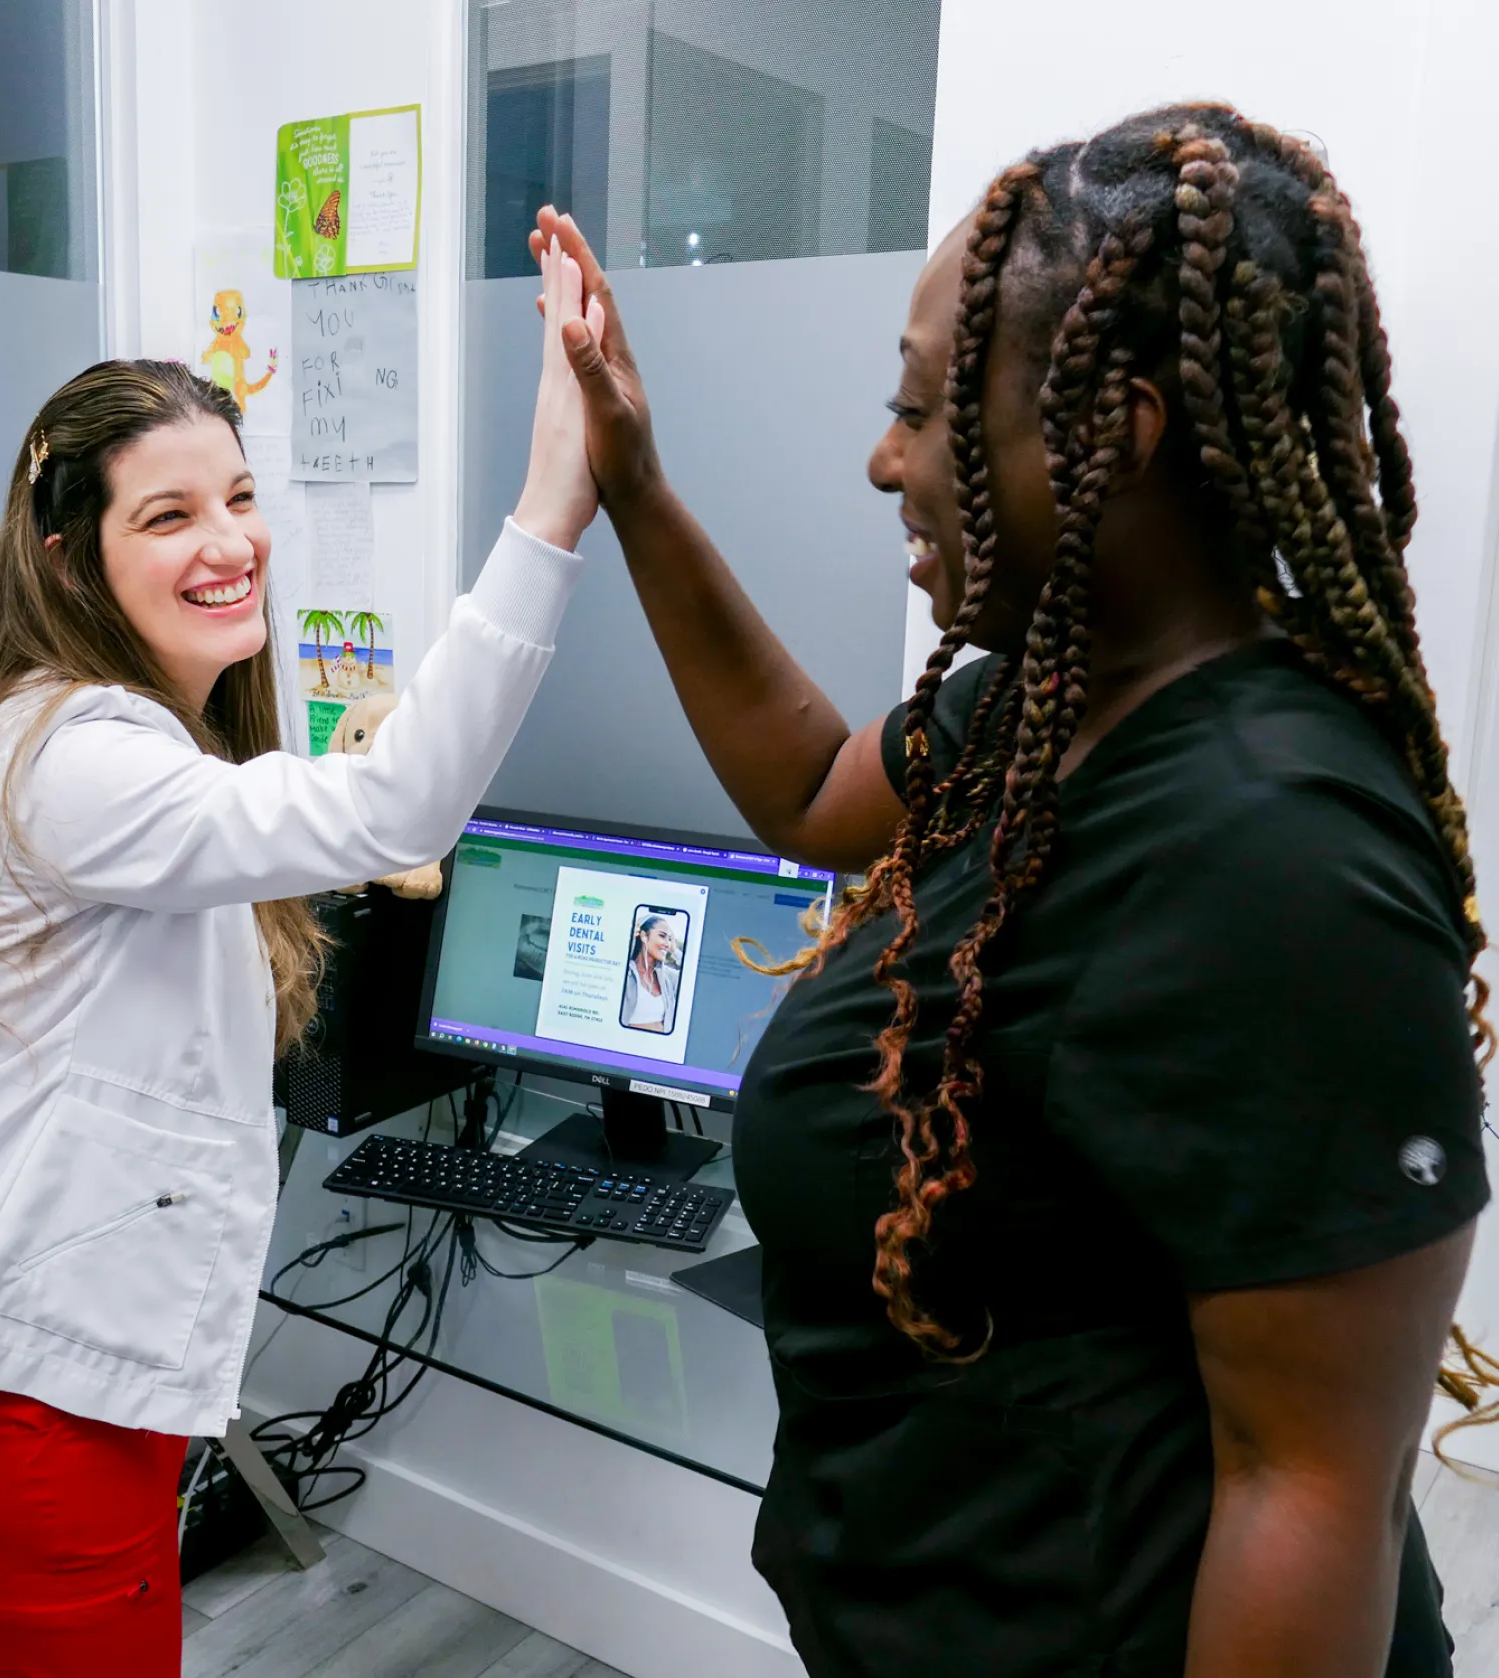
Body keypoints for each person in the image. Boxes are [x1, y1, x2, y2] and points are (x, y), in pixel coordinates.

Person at [532, 101, 1488, 1677]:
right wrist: (633, 478)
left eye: (929, 411)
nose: (881, 458)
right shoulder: (1043, 700)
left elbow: (1309, 1489)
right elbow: (808, 786)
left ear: (1115, 431)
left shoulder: (1276, 850)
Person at [0, 237, 603, 1676]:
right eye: (170, 514)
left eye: (244, 498)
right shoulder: (66, 749)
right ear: (67, 554)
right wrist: (552, 504)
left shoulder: (143, 743)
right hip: (12, 1369)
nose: (232, 541)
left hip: (57, 1342)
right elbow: (392, 807)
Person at [621, 915, 679, 1032]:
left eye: (669, 939)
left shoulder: (667, 976)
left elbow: (694, 975)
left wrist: (674, 950)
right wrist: (625, 941)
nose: (667, 944)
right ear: (644, 936)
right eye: (662, 936)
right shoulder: (626, 973)